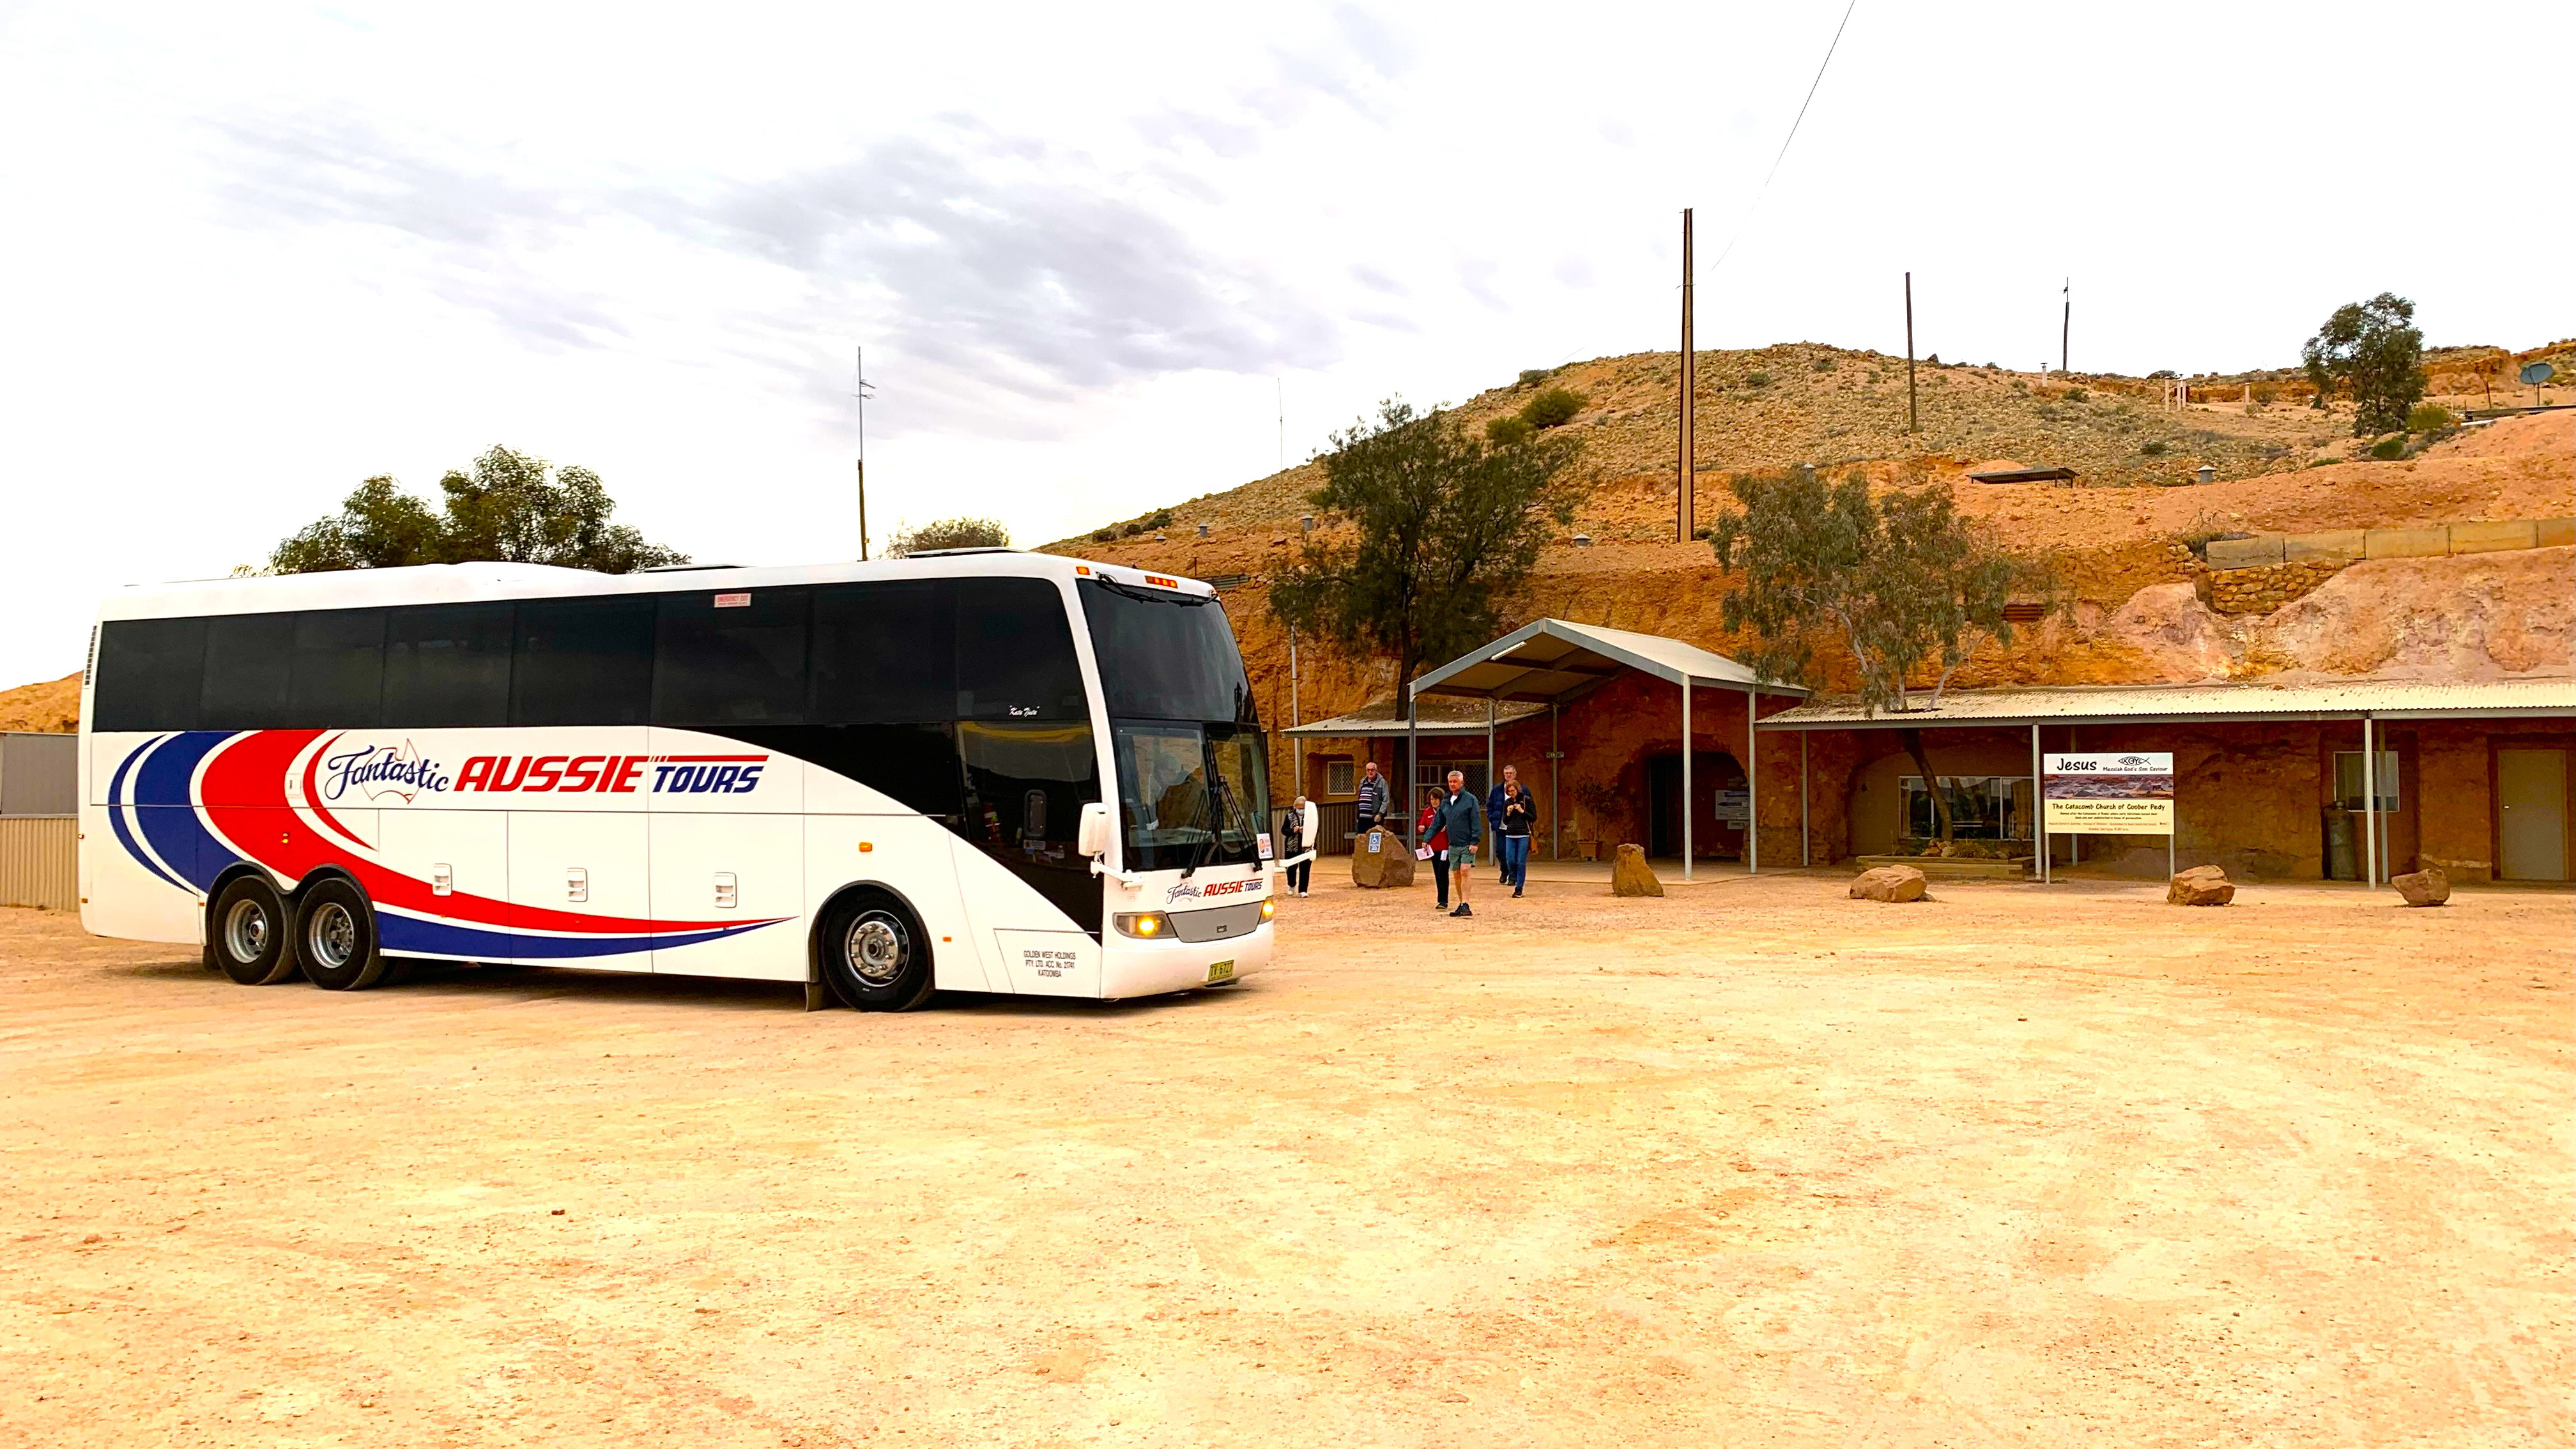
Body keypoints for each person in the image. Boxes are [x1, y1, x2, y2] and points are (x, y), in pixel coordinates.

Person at [1423, 769, 1485, 919]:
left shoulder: (1470, 800)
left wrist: (1475, 841)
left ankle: (1466, 903)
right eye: (1450, 782)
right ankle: (1461, 904)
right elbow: (1438, 822)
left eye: (1455, 781)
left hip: (1467, 844)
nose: (1452, 784)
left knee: (1465, 870)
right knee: (1456, 873)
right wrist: (1427, 838)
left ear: (1462, 782)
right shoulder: (1445, 802)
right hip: (1453, 844)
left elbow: (1476, 821)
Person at [1415, 786, 1451, 910]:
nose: (1434, 801)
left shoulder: (1447, 811)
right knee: (1437, 873)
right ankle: (1440, 899)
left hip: (1445, 847)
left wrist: (1447, 826)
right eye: (1432, 799)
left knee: (1443, 871)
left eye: (1436, 799)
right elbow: (1422, 825)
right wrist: (1421, 829)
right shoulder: (1428, 812)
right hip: (1433, 848)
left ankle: (1444, 900)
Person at [1498, 776, 1534, 896]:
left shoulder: (1526, 800)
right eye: (1509, 791)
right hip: (1510, 835)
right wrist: (1508, 812)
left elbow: (1534, 817)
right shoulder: (1507, 803)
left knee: (1521, 862)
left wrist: (1522, 811)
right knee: (1510, 860)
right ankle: (1512, 876)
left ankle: (1519, 887)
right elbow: (1506, 821)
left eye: (1513, 790)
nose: (1511, 793)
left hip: (1523, 834)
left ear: (1518, 789)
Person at [1279, 793, 1315, 897]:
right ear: (1295, 807)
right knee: (1291, 868)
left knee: (1305, 869)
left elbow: (1316, 829)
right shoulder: (1289, 816)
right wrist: (1293, 830)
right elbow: (1284, 830)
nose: (1301, 809)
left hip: (1306, 847)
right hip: (1292, 847)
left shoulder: (1310, 817)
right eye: (1299, 807)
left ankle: (1303, 890)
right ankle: (1292, 885)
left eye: (1303, 807)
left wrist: (1306, 830)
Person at [1353, 759, 1390, 834]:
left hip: (1374, 818)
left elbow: (1386, 800)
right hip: (1362, 817)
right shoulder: (1363, 781)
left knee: (1374, 841)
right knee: (1362, 840)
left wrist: (1380, 814)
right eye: (1368, 770)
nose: (1370, 772)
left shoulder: (1382, 782)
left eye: (1372, 770)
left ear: (1376, 770)